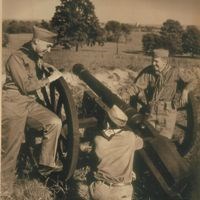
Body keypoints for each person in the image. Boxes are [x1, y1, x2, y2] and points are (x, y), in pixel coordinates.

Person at [1, 26, 63, 197]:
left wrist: (47, 67)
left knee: (54, 122)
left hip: (29, 103)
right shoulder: (15, 58)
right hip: (13, 106)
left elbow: (38, 65)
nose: (49, 50)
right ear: (36, 42)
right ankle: (4, 190)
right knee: (10, 150)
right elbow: (26, 86)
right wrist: (50, 79)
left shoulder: (34, 55)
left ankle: (45, 165)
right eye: (48, 46)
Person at [128, 48, 199, 139]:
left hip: (167, 113)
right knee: (147, 137)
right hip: (152, 111)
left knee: (164, 142)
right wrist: (123, 94)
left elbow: (194, 80)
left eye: (156, 61)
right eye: (152, 61)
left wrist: (186, 90)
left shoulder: (176, 72)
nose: (153, 64)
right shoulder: (149, 72)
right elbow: (136, 87)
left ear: (164, 61)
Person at [89, 105, 143, 200]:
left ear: (108, 123)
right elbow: (141, 143)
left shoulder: (99, 140)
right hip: (123, 192)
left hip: (103, 191)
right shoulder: (131, 137)